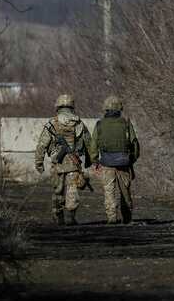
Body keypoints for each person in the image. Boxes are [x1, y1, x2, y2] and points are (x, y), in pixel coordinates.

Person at [34, 94, 92, 226]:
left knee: (57, 190)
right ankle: (70, 217)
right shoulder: (78, 123)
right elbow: (89, 143)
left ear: (58, 106)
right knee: (72, 189)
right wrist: (91, 161)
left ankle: (58, 218)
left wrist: (39, 163)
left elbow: (42, 145)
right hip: (73, 163)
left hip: (57, 164)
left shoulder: (51, 123)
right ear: (72, 106)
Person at [89, 95, 140, 224]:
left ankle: (112, 218)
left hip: (106, 162)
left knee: (109, 191)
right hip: (124, 162)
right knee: (125, 191)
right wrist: (131, 160)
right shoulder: (126, 123)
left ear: (105, 109)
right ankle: (127, 219)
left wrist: (95, 161)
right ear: (120, 109)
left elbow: (93, 145)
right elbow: (134, 143)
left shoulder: (100, 124)